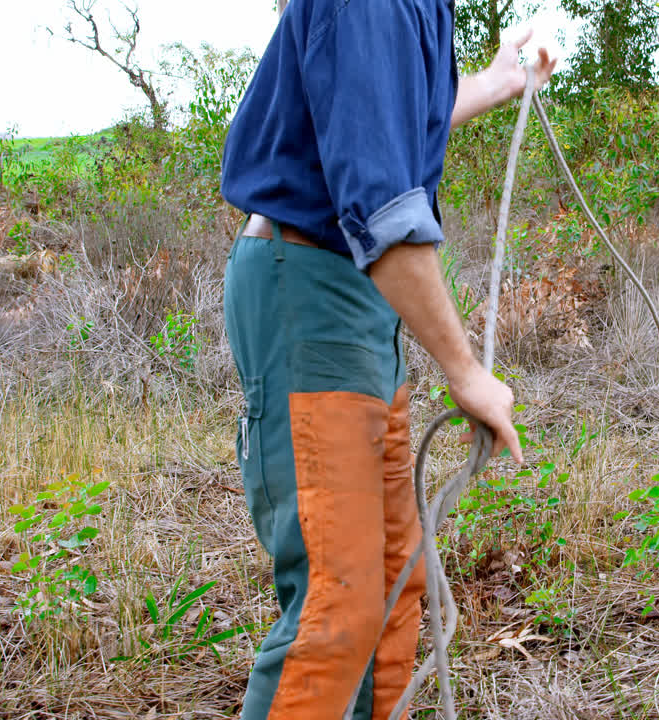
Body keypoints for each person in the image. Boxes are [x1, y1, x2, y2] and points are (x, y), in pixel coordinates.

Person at [218, 1, 555, 718]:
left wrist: (494, 84)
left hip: (357, 295)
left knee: (395, 585)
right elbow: (381, 212)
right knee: (335, 610)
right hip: (307, 288)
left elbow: (388, 121)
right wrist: (466, 374)